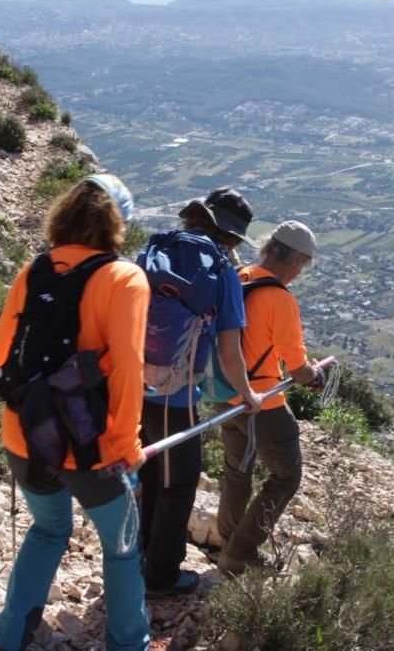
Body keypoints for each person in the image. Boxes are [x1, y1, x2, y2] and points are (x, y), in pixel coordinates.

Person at [0, 175, 151, 651]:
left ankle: (9, 641)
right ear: (117, 224)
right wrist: (126, 446)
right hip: (89, 445)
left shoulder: (34, 269)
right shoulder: (124, 278)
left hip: (24, 433)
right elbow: (127, 367)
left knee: (48, 529)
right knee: (121, 550)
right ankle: (128, 644)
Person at [139, 187, 263, 599]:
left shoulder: (157, 249)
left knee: (153, 471)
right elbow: (229, 352)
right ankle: (160, 576)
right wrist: (248, 394)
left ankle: (139, 558)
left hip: (135, 385)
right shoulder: (221, 272)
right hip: (178, 399)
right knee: (180, 483)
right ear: (230, 235)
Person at [216, 220, 323, 576]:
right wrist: (315, 376)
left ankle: (228, 542)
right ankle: (241, 553)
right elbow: (297, 367)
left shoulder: (239, 275)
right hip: (263, 403)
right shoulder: (278, 298)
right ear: (293, 259)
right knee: (286, 476)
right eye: (302, 265)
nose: (299, 273)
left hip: (225, 394)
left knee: (237, 472)